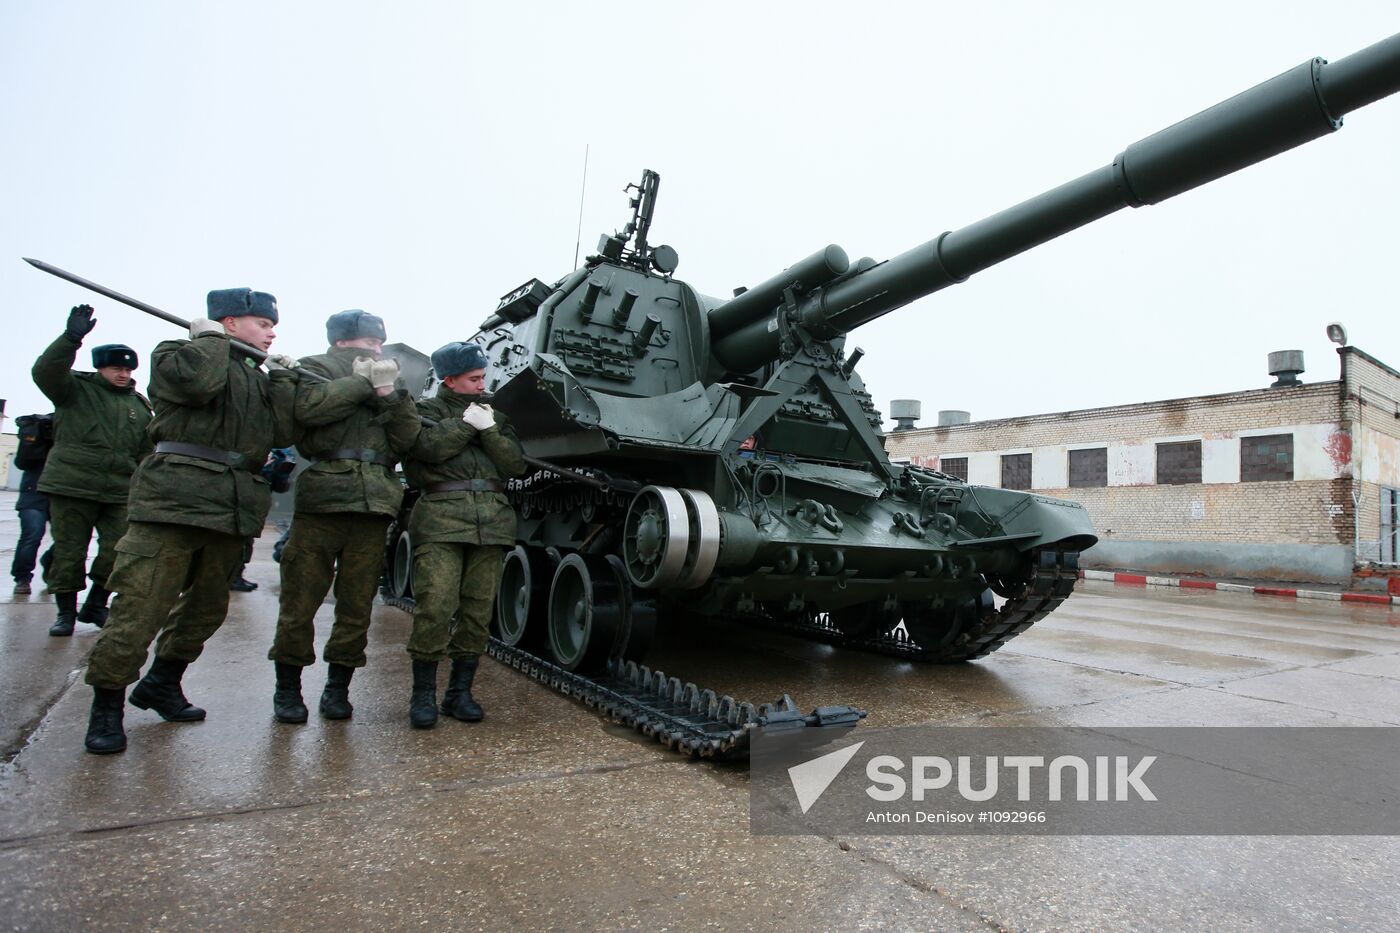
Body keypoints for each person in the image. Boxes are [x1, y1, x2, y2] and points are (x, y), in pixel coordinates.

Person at [81, 288, 299, 755]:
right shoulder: (176, 353)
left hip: (231, 505)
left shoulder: (257, 377)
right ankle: (106, 706)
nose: (271, 332)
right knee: (141, 607)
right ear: (230, 323)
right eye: (262, 324)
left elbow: (281, 433)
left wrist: (280, 380)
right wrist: (208, 342)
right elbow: (196, 386)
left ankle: (162, 683)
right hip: (173, 500)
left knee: (205, 610)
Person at [267, 310, 419, 724]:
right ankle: (288, 689)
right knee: (300, 601)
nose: (375, 346)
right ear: (341, 341)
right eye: (367, 340)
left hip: (373, 505)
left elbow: (407, 440)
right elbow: (309, 414)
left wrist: (390, 394)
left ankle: (337, 689)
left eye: (377, 340)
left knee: (356, 606)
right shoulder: (316, 368)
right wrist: (359, 382)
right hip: (325, 498)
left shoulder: (391, 377)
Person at [400, 341, 524, 729]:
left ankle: (459, 693)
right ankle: (423, 696)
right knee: (435, 606)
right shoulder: (423, 412)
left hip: (491, 524)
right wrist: (464, 424)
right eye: (474, 378)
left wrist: (488, 429)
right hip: (441, 521)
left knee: (476, 612)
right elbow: (426, 450)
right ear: (449, 380)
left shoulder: (496, 418)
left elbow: (514, 465)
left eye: (483, 376)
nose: (481, 383)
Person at [31, 306, 153, 634]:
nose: (123, 374)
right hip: (72, 486)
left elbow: (145, 451)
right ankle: (65, 614)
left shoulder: (139, 406)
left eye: (127, 370)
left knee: (119, 550)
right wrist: (71, 339)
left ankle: (97, 603)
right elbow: (45, 371)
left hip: (118, 491)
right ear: (100, 368)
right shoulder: (74, 390)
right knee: (70, 552)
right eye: (116, 369)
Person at [11, 458, 50, 596]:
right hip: (34, 491)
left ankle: (49, 561)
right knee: (32, 534)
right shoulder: (37, 437)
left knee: (69, 539)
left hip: (65, 493)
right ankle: (22, 578)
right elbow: (22, 461)